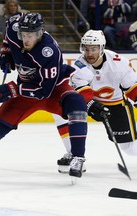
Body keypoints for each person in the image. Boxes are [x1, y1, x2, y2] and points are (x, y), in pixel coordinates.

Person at [0, 12, 88, 180]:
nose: (26, 39)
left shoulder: (49, 52)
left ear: (40, 33)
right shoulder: (15, 29)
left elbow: (44, 92)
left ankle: (78, 157)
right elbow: (11, 23)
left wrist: (13, 89)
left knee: (76, 103)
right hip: (24, 91)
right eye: (23, 34)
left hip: (53, 89)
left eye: (31, 35)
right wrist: (5, 52)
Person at [56, 29, 137, 173]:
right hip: (92, 104)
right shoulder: (79, 65)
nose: (89, 53)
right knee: (61, 112)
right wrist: (91, 106)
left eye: (93, 49)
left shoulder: (118, 63)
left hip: (116, 105)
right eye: (86, 49)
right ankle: (75, 155)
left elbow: (132, 89)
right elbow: (83, 91)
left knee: (129, 148)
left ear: (101, 48)